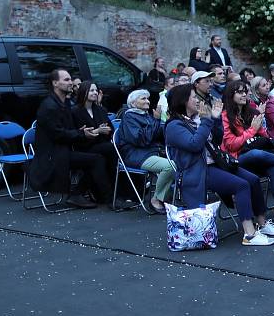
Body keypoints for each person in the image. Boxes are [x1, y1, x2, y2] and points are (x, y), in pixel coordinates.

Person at [166, 84, 274, 246]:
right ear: (183, 101)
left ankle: (262, 223)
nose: (198, 101)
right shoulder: (174, 126)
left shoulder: (195, 120)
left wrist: (215, 118)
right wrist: (206, 120)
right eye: (194, 97)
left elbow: (219, 139)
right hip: (197, 170)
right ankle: (249, 235)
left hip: (216, 164)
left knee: (253, 180)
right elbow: (194, 145)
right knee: (241, 186)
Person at [221, 79, 274, 228]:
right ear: (230, 95)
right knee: (257, 154)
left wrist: (260, 131)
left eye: (245, 91)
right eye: (239, 92)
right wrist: (251, 131)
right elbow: (231, 145)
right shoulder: (226, 116)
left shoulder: (252, 112)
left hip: (256, 156)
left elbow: (264, 138)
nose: (244, 94)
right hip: (237, 159)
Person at [29, 69, 111, 208]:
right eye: (66, 80)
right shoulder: (49, 106)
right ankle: (104, 198)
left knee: (100, 155)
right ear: (55, 83)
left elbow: (68, 130)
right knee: (96, 159)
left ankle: (95, 194)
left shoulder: (64, 103)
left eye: (70, 79)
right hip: (53, 155)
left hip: (63, 150)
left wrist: (81, 131)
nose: (71, 82)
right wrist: (81, 134)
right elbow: (58, 134)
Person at [117, 90, 174, 213]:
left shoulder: (146, 115)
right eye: (143, 99)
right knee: (170, 166)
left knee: (181, 160)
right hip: (136, 155)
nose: (147, 101)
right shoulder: (129, 116)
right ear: (132, 102)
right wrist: (156, 121)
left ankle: (170, 197)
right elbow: (141, 140)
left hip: (151, 152)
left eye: (147, 98)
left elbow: (158, 135)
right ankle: (156, 199)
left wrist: (166, 123)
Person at [71, 81, 117, 184]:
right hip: (84, 147)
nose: (95, 92)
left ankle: (116, 186)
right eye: (91, 90)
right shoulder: (74, 111)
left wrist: (106, 129)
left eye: (96, 90)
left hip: (100, 145)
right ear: (84, 92)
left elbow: (111, 129)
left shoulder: (101, 110)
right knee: (110, 149)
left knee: (109, 152)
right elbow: (75, 134)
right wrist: (98, 130)